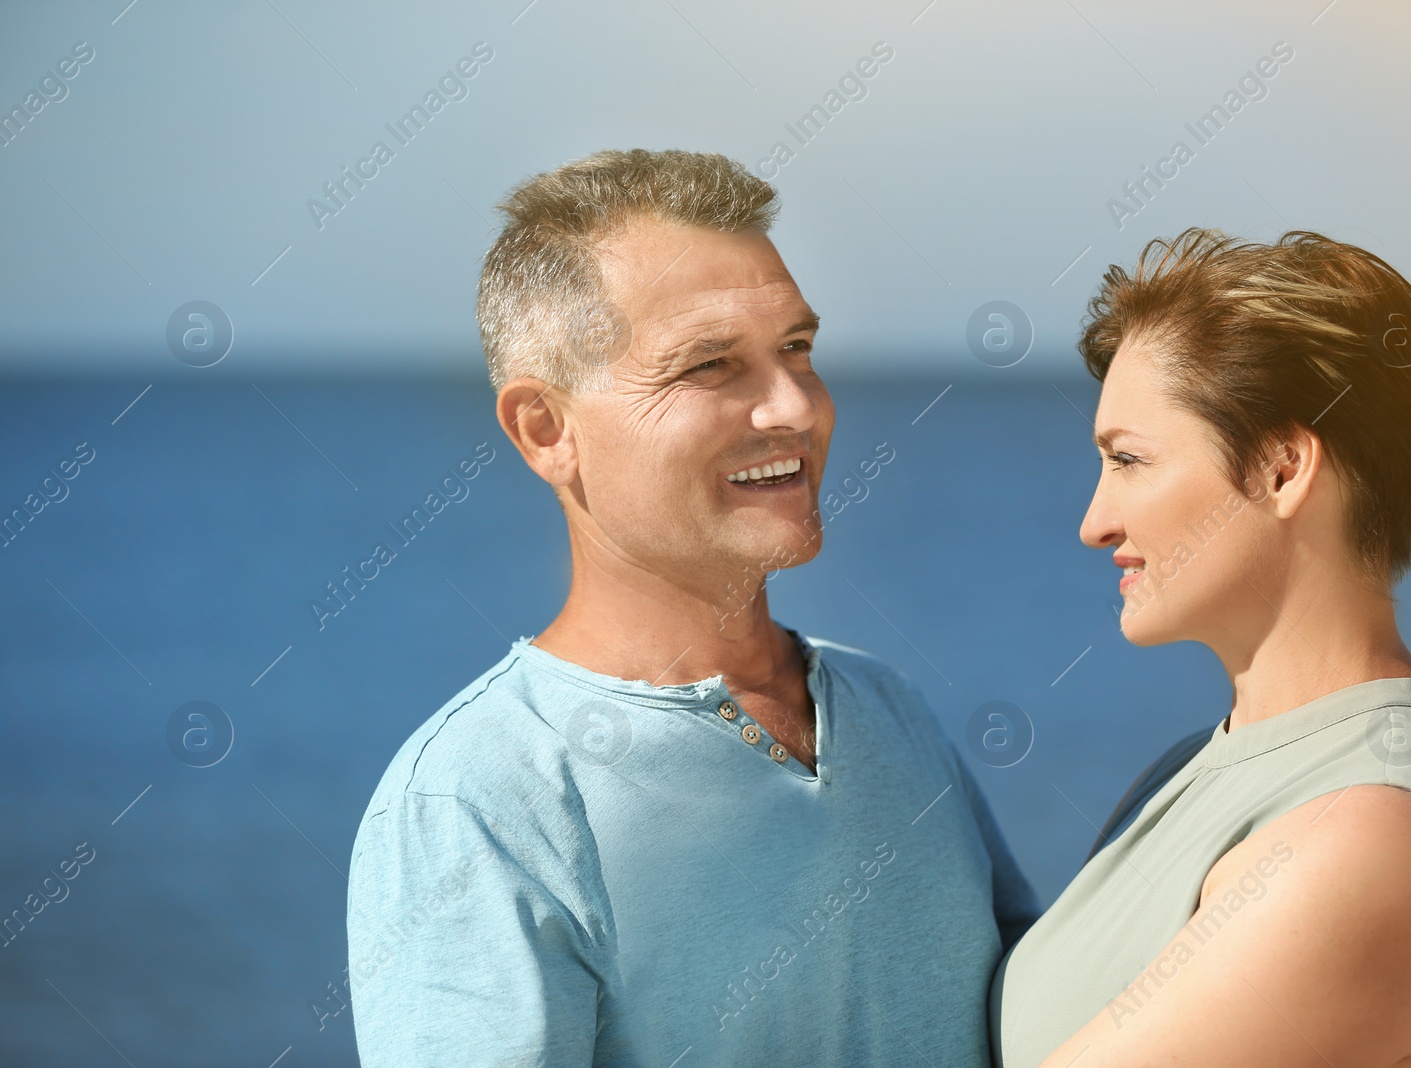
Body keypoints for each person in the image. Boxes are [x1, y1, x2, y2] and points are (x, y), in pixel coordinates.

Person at [346, 148, 1039, 1066]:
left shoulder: (886, 709)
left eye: (797, 348)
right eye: (711, 365)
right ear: (547, 430)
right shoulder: (482, 799)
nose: (794, 404)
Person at [992, 229, 1411, 1067]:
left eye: (1129, 459)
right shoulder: (1203, 767)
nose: (1095, 524)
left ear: (1281, 468)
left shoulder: (1365, 846)